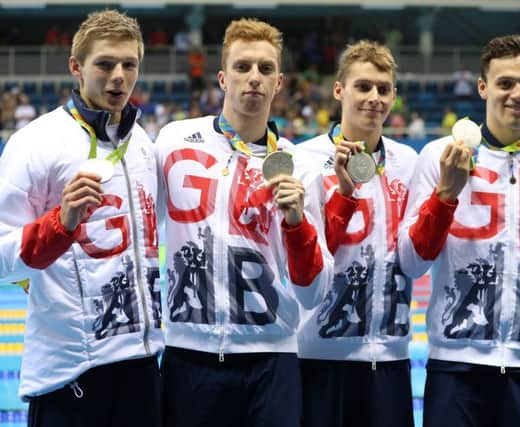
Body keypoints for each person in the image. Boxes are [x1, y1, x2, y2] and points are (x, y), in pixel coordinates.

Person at [397, 34, 520, 427]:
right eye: (505, 83)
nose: (517, 93)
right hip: (455, 368)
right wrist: (445, 196)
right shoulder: (437, 157)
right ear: (483, 87)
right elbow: (410, 262)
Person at [154, 18, 332, 427]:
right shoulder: (174, 140)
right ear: (222, 77)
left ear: (280, 82)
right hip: (188, 354)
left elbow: (314, 291)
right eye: (243, 67)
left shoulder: (301, 166)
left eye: (265, 69)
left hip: (272, 359)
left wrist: (296, 223)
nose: (254, 78)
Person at [0, 10, 163, 427]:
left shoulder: (143, 143)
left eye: (129, 65)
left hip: (143, 366)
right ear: (76, 67)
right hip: (71, 373)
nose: (119, 77)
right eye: (105, 64)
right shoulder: (36, 143)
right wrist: (61, 223)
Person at [297, 40, 418, 427]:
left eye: (384, 89)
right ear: (339, 90)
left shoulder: (409, 162)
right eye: (363, 86)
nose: (374, 98)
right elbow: (306, 258)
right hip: (317, 357)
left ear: (394, 96)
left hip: (389, 358)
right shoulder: (304, 159)